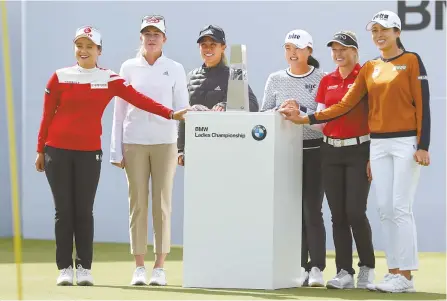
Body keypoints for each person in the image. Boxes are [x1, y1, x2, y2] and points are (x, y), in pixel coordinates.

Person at [279, 10, 430, 293]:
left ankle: (403, 274)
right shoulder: (372, 67)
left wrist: (423, 145)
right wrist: (307, 117)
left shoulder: (410, 61)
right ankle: (390, 272)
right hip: (370, 146)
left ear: (397, 32)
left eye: (384, 30)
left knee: (396, 208)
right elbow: (343, 105)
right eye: (374, 31)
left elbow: (423, 103)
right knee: (384, 209)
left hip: (398, 143)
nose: (379, 35)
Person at [34, 25, 188, 287]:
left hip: (89, 152)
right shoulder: (59, 77)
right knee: (63, 211)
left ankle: (84, 268)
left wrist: (170, 114)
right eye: (79, 45)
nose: (84, 51)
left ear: (99, 51)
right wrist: (40, 149)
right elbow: (47, 115)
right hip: (56, 151)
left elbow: (138, 99)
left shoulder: (110, 78)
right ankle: (64, 268)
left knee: (83, 211)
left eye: (89, 46)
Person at [109, 15, 189, 286]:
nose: (152, 38)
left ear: (164, 39)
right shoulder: (128, 67)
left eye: (157, 33)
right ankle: (139, 266)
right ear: (140, 37)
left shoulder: (175, 68)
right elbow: (119, 111)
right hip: (134, 142)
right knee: (138, 204)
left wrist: (181, 147)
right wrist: (115, 150)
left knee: (162, 205)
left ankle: (160, 267)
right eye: (147, 33)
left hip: (165, 143)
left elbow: (182, 109)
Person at [260, 29, 326, 287]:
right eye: (288, 48)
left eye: (297, 48)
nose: (292, 53)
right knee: (291, 212)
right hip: (285, 152)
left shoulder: (322, 78)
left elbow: (324, 117)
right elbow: (264, 113)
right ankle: (298, 266)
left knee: (312, 210)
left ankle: (317, 267)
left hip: (315, 150)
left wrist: (302, 110)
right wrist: (279, 110)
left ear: (309, 50)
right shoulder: (275, 79)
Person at [316, 31, 375, 290]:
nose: (338, 54)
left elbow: (376, 118)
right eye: (334, 49)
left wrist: (373, 156)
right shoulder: (326, 80)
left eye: (344, 49)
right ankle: (344, 271)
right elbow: (320, 118)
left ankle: (367, 267)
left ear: (355, 51)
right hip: (330, 151)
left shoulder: (367, 77)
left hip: (358, 151)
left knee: (355, 211)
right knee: (337, 214)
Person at [176, 24, 259, 165]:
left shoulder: (234, 74)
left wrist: (225, 105)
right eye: (204, 45)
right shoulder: (191, 76)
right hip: (197, 148)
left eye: (213, 44)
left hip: (227, 147)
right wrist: (180, 149)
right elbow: (184, 115)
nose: (208, 49)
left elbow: (253, 105)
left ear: (223, 47)